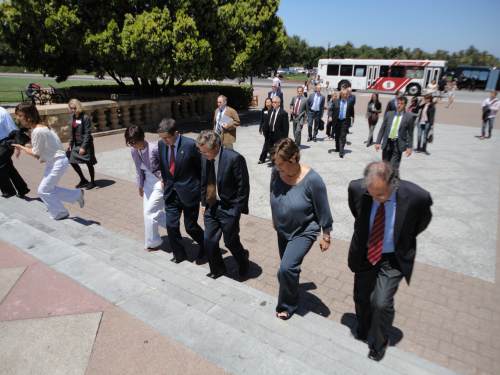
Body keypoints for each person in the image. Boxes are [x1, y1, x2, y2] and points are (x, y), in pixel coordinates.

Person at [347, 161, 432, 361]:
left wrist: (402, 240)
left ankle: (378, 343)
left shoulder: (416, 197)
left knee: (381, 302)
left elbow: (422, 222)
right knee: (361, 296)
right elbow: (356, 212)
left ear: (394, 184)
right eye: (372, 194)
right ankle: (364, 327)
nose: (376, 198)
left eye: (381, 195)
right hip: (366, 253)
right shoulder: (356, 189)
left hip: (392, 258)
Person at [270, 138, 332, 320]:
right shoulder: (276, 172)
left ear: (294, 159)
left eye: (281, 165)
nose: (278, 169)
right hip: (282, 229)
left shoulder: (313, 180)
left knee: (286, 268)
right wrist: (275, 219)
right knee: (289, 268)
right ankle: (292, 285)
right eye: (276, 165)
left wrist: (326, 235)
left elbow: (323, 208)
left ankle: (287, 305)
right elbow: (272, 194)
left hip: (304, 230)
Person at [13, 102, 84, 220]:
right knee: (47, 189)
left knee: (43, 190)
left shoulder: (38, 131)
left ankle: (61, 212)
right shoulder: (40, 127)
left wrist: (22, 148)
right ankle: (76, 195)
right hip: (54, 162)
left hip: (58, 162)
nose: (18, 118)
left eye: (20, 115)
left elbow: (36, 153)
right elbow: (42, 148)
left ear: (28, 117)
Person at [197, 130, 250, 279]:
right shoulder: (204, 158)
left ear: (215, 147)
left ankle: (243, 263)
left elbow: (243, 187)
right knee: (209, 240)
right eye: (201, 152)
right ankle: (218, 269)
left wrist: (236, 211)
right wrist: (203, 203)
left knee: (230, 241)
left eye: (205, 152)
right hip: (211, 205)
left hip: (229, 208)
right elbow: (204, 180)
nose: (203, 155)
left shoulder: (235, 158)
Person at [154, 118, 205, 263]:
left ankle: (205, 245)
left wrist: (202, 195)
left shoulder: (190, 145)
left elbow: (201, 170)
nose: (164, 141)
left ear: (176, 133)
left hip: (189, 193)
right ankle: (179, 254)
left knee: (190, 227)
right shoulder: (161, 144)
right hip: (171, 193)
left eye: (167, 138)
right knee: (171, 225)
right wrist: (165, 180)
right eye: (162, 138)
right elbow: (164, 165)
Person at [125, 125, 166, 251]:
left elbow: (165, 165)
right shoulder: (133, 151)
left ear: (142, 138)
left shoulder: (155, 148)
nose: (132, 145)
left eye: (134, 142)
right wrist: (140, 185)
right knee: (148, 213)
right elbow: (138, 170)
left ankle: (154, 242)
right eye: (130, 142)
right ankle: (171, 224)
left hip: (159, 182)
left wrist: (165, 180)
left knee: (149, 212)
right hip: (147, 183)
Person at [375, 96, 413, 178]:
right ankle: (385, 181)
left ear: (405, 105)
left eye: (401, 104)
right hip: (387, 143)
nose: (399, 105)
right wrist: (378, 142)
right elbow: (382, 129)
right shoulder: (389, 114)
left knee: (394, 167)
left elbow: (410, 133)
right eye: (398, 103)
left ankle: (393, 183)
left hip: (398, 144)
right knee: (385, 164)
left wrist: (409, 147)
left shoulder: (409, 117)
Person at [67, 99, 98, 189]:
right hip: (76, 144)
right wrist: (70, 144)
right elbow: (72, 131)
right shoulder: (73, 117)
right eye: (71, 108)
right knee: (71, 160)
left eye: (74, 108)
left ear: (78, 107)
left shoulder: (85, 117)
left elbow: (88, 133)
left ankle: (92, 182)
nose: (72, 110)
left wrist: (83, 147)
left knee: (89, 163)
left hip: (85, 144)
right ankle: (83, 179)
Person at [0, 106, 30, 198]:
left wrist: (17, 146)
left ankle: (9, 191)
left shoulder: (2, 112)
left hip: (5, 143)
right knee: (8, 166)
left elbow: (13, 129)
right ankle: (22, 189)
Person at [258, 96, 289, 164]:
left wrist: (284, 139)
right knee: (269, 148)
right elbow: (266, 123)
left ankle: (277, 161)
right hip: (269, 134)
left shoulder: (283, 113)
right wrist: (265, 132)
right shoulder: (270, 111)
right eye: (273, 102)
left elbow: (286, 128)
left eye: (275, 102)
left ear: (279, 103)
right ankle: (271, 160)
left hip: (278, 135)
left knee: (277, 149)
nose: (273, 104)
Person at [330, 89, 355, 158]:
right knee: (337, 136)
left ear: (347, 95)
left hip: (344, 121)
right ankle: (337, 148)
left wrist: (352, 120)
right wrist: (330, 116)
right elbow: (331, 109)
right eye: (343, 94)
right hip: (337, 121)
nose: (345, 96)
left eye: (346, 94)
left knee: (343, 136)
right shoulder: (336, 101)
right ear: (341, 95)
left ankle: (341, 151)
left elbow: (352, 113)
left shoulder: (350, 103)